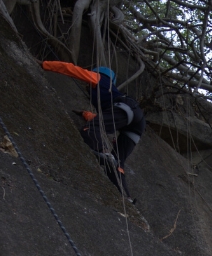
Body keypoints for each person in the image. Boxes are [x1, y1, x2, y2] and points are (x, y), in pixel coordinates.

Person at [40, 61, 145, 200]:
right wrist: (86, 114)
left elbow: (71, 69)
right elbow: (106, 118)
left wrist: (45, 65)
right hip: (137, 122)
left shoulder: (100, 78)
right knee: (118, 163)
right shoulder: (109, 91)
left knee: (90, 130)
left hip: (126, 109)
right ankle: (126, 198)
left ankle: (104, 153)